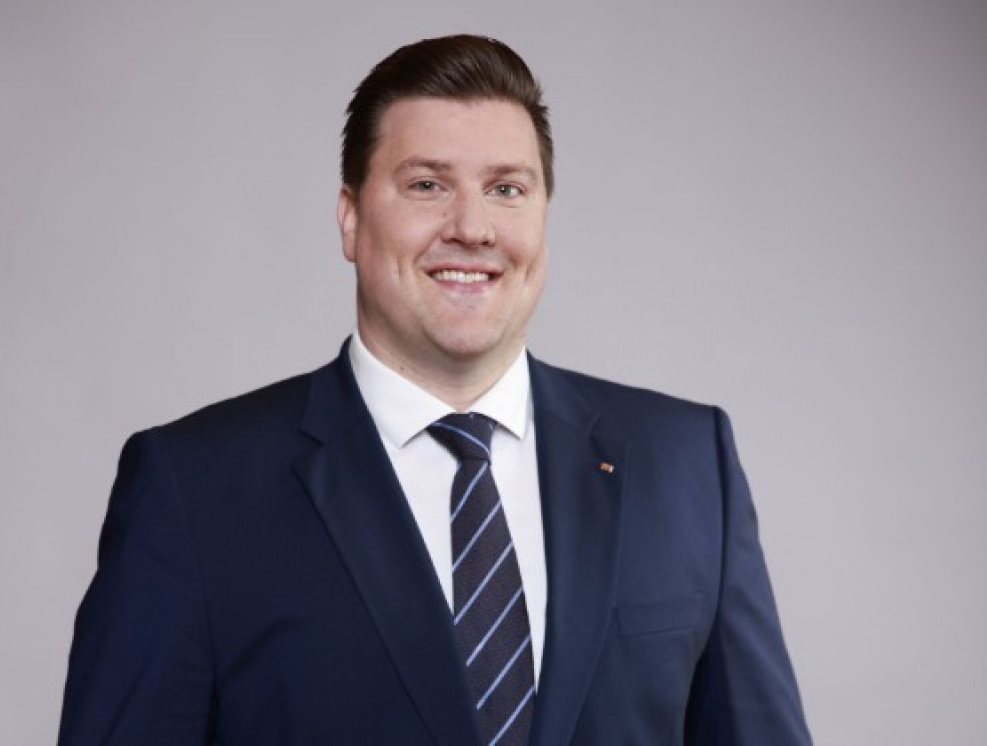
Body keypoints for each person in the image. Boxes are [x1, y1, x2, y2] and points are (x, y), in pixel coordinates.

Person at [58, 34, 812, 745]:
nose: (473, 227)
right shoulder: (192, 488)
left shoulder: (687, 464)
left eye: (507, 188)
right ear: (351, 219)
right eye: (427, 185)